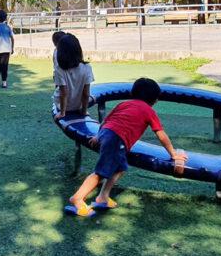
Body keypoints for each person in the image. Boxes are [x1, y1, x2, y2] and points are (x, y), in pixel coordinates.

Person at [66, 78, 188, 217]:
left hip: (107, 133)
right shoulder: (149, 111)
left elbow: (107, 120)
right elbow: (161, 134)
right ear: (153, 99)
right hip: (116, 139)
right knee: (101, 172)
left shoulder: (124, 104)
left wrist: (98, 136)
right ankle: (77, 198)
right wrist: (173, 153)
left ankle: (103, 197)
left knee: (120, 168)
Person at [52, 33, 94, 120]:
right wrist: (84, 110)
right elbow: (86, 94)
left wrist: (63, 113)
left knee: (58, 93)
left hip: (63, 107)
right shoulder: (87, 68)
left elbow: (63, 93)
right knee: (90, 96)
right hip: (78, 106)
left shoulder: (59, 69)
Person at [0, 9, 15, 88]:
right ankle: (4, 82)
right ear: (5, 18)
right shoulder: (8, 27)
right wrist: (12, 48)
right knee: (5, 66)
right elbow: (12, 38)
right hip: (6, 49)